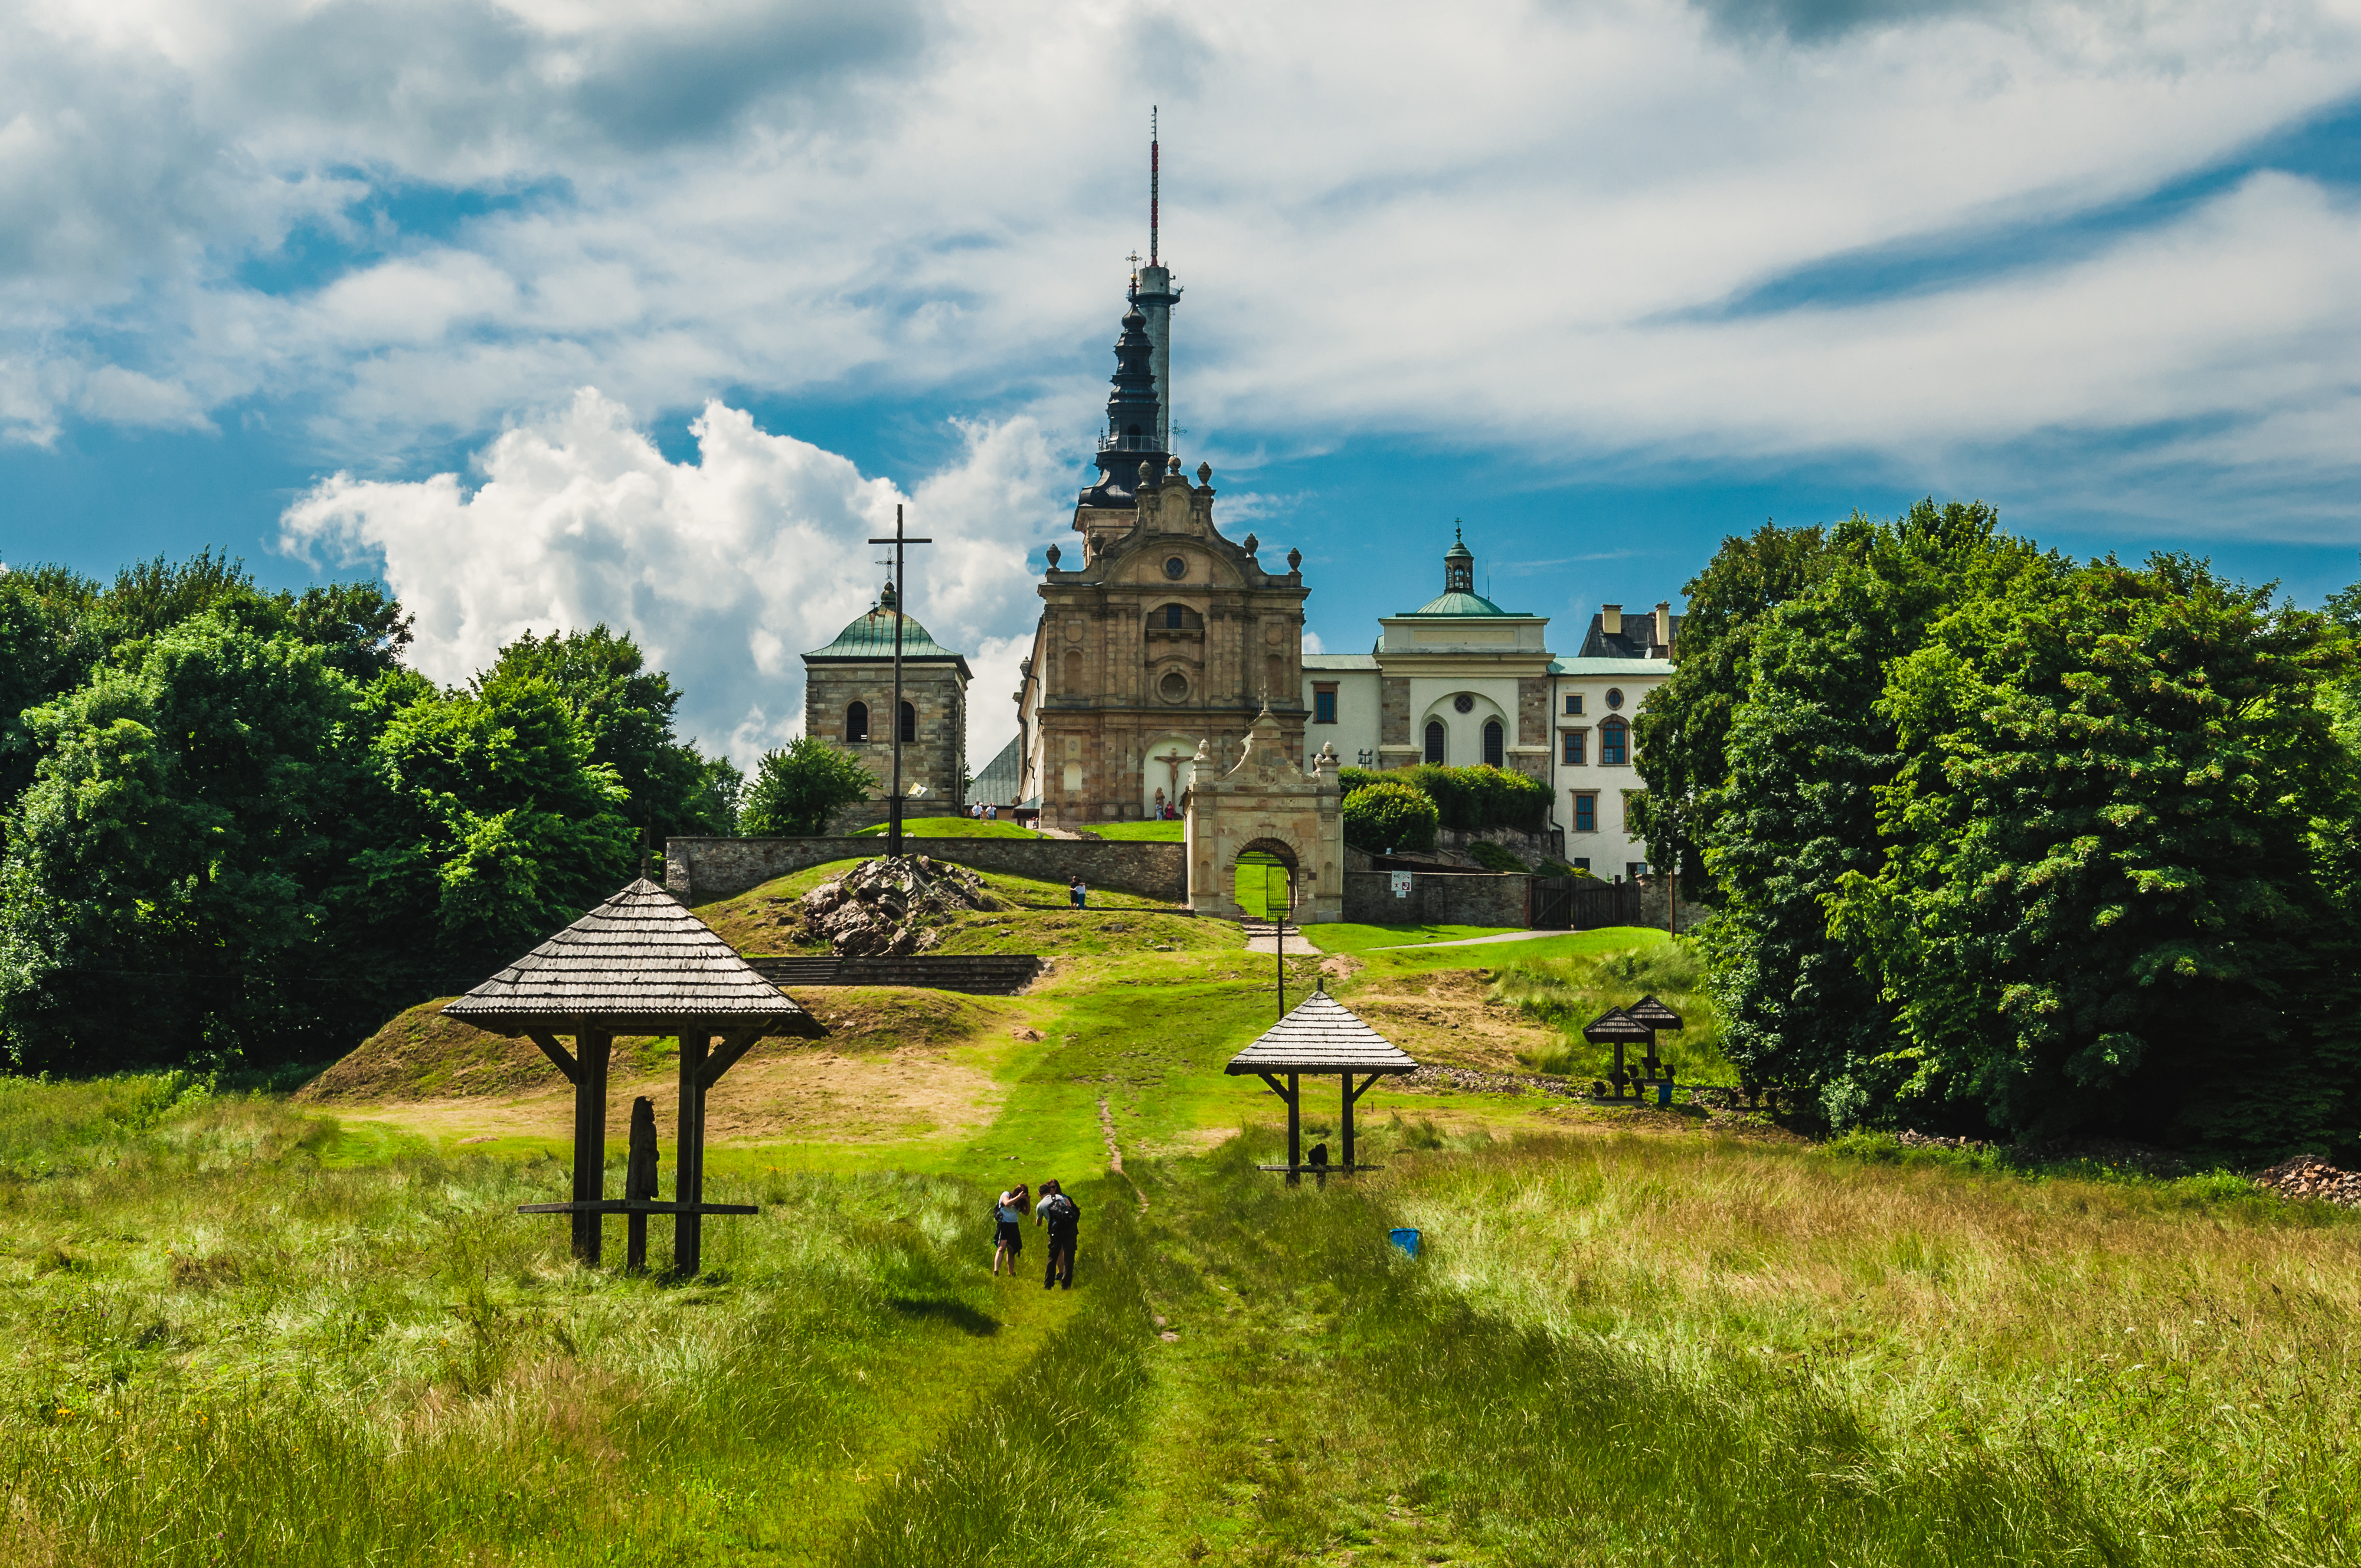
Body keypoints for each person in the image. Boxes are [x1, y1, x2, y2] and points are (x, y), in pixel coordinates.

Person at [1035, 1180, 1081, 1289]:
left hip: (1056, 1232)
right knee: (1069, 1257)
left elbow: (1038, 1224)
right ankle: (1066, 1285)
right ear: (1050, 1190)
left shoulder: (1040, 1205)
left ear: (1039, 1194)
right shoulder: (1060, 1198)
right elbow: (1068, 1208)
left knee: (1052, 1257)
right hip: (1070, 1229)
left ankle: (1048, 1284)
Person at [991, 1183, 1029, 1276]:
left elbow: (1026, 1213)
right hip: (1004, 1225)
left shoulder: (1019, 1202)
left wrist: (1028, 1202)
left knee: (1011, 1250)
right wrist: (1018, 1198)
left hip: (1014, 1226)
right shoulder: (1006, 1195)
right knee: (1001, 1248)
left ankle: (1011, 1273)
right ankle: (996, 1271)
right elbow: (1007, 1204)